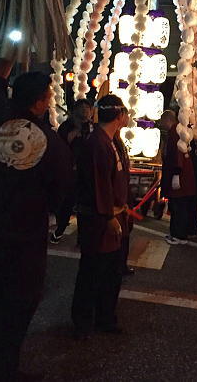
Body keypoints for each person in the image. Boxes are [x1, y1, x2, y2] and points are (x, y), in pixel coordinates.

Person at [0, 61, 71, 382]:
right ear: (40, 101)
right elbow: (62, 185)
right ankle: (0, 369)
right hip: (26, 234)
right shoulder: (46, 139)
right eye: (48, 98)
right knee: (20, 304)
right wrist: (62, 217)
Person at [71, 95, 131, 337]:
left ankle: (105, 316)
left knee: (111, 271)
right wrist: (108, 216)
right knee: (93, 270)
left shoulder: (111, 140)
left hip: (113, 214)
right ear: (119, 116)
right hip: (100, 219)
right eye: (126, 113)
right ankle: (84, 321)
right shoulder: (97, 143)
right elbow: (99, 184)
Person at [51, 98, 95, 243]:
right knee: (66, 203)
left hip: (87, 171)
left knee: (85, 205)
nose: (85, 111)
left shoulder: (92, 127)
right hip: (70, 171)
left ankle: (82, 238)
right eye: (82, 108)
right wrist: (76, 131)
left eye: (87, 108)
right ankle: (59, 230)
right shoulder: (67, 126)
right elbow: (61, 146)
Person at [160, 110, 197, 245]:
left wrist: (176, 173)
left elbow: (177, 155)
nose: (161, 124)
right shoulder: (181, 130)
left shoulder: (175, 133)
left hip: (179, 176)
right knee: (182, 206)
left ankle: (178, 235)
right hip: (184, 176)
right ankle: (184, 232)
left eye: (162, 121)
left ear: (167, 120)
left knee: (178, 206)